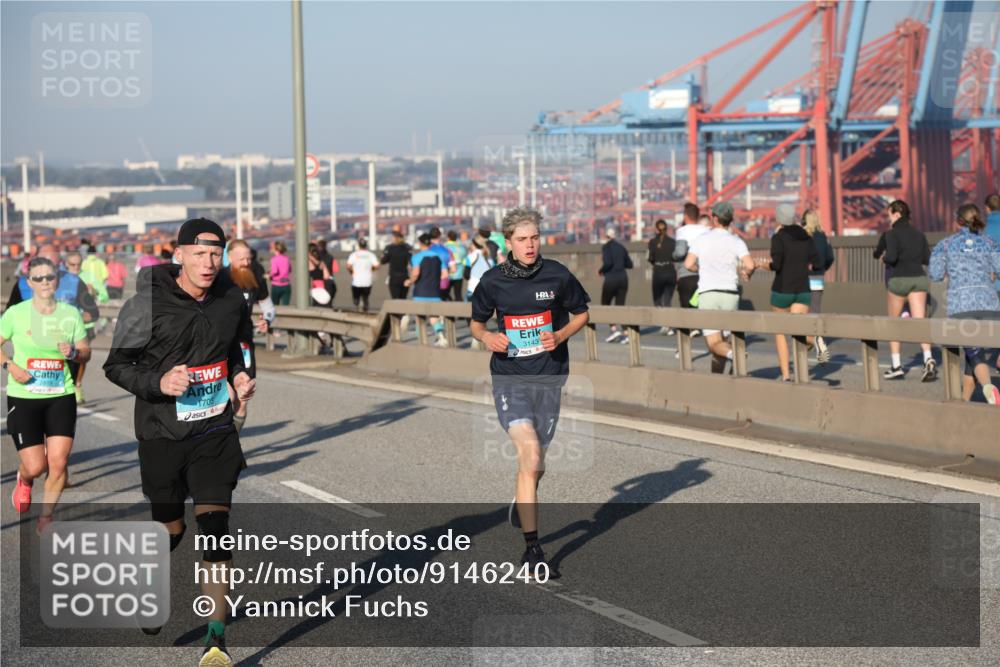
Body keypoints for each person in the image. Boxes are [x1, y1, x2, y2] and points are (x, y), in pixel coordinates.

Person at [104, 218, 256, 666]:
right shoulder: (145, 305)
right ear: (180, 255)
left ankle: (216, 640)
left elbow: (239, 348)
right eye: (199, 254)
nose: (208, 263)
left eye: (216, 254)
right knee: (170, 529)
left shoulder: (231, 299)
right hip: (162, 433)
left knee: (216, 529)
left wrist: (241, 376)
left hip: (214, 430)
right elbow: (116, 365)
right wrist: (159, 382)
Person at [470, 207, 590, 575]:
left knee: (536, 466)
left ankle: (523, 498)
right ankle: (532, 550)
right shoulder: (492, 281)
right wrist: (488, 337)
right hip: (510, 379)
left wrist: (561, 335)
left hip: (550, 378)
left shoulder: (557, 275)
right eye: (522, 239)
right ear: (508, 242)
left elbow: (582, 314)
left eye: (534, 238)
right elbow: (476, 325)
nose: (530, 245)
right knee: (531, 453)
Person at [1, 257, 90, 534]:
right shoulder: (16, 313)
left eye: (49, 277)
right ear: (29, 282)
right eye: (38, 278)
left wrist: (74, 353)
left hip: (60, 394)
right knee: (36, 466)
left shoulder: (70, 314)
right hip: (24, 395)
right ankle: (24, 478)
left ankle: (46, 517)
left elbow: (85, 351)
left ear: (57, 280)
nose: (44, 282)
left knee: (59, 462)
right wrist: (10, 366)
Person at [929, 203, 1000, 404]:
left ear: (958, 221)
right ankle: (964, 402)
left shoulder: (945, 245)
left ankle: (988, 388)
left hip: (961, 305)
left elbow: (935, 275)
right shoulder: (990, 243)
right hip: (989, 304)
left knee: (974, 352)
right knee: (974, 355)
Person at [756, 204, 826, 382]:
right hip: (803, 290)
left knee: (780, 333)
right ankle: (814, 340)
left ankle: (786, 375)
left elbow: (776, 265)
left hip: (782, 290)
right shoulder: (806, 237)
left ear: (779, 218)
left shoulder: (778, 237)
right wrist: (803, 267)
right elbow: (818, 263)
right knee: (799, 330)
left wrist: (761, 265)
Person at [684, 201, 756, 374]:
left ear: (714, 218)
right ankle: (719, 378)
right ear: (730, 220)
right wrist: (747, 273)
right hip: (730, 294)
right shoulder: (736, 241)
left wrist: (700, 269)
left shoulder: (701, 239)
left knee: (714, 343)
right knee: (724, 340)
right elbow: (750, 265)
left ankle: (734, 354)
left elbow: (688, 264)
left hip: (708, 294)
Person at [879, 200, 936, 382]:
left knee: (894, 323)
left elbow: (892, 257)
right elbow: (927, 259)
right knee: (920, 322)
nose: (889, 219)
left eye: (890, 215)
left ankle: (896, 366)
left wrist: (884, 258)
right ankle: (928, 358)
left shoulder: (891, 234)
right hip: (918, 278)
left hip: (899, 279)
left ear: (896, 215)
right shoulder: (919, 234)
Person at [226, 240, 273, 432]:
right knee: (228, 397)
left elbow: (268, 307)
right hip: (222, 344)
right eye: (241, 259)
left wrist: (267, 320)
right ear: (230, 257)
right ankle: (220, 439)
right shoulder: (219, 279)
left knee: (243, 397)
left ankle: (233, 439)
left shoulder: (255, 278)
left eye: (249, 259)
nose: (246, 263)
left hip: (244, 344)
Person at [803, 209, 834, 361]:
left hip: (803, 277)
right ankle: (817, 338)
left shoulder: (804, 236)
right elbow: (830, 257)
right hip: (818, 277)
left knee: (802, 309)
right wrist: (822, 269)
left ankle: (808, 340)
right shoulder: (823, 236)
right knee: (815, 310)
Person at [407, 233, 449, 347]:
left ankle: (421, 342)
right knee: (434, 317)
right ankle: (441, 337)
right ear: (430, 244)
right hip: (435, 292)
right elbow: (445, 274)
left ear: (420, 244)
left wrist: (409, 281)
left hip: (420, 292)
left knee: (419, 317)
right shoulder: (438, 257)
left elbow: (415, 273)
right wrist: (434, 279)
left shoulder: (417, 257)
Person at [674, 203, 709, 338]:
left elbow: (680, 252)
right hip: (704, 273)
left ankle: (690, 330)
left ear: (685, 216)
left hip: (687, 273)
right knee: (702, 302)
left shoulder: (682, 231)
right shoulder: (706, 230)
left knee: (686, 304)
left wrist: (673, 256)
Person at [599, 226, 633, 344]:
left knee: (605, 304)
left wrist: (601, 270)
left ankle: (614, 329)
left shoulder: (606, 247)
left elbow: (608, 263)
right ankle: (626, 333)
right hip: (623, 279)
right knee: (620, 306)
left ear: (607, 236)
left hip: (611, 279)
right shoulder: (621, 247)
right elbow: (630, 264)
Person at [647, 218, 680, 334]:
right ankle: (668, 324)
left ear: (656, 229)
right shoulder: (672, 242)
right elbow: (675, 257)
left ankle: (663, 322)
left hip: (658, 272)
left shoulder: (652, 242)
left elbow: (650, 258)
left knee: (657, 299)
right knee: (667, 299)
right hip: (670, 272)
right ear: (666, 228)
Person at [347, 238, 380, 313]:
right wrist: (372, 270)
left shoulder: (354, 255)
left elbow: (348, 266)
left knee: (356, 300)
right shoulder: (371, 255)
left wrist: (351, 272)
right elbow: (377, 266)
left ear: (359, 245)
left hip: (356, 281)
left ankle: (357, 309)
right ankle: (365, 311)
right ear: (366, 245)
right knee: (365, 298)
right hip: (367, 281)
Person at [381, 229, 412, 300]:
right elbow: (411, 261)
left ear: (395, 238)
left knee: (395, 298)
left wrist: (384, 255)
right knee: (403, 298)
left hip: (393, 277)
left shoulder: (389, 248)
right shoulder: (407, 248)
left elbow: (383, 261)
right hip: (404, 276)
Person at [464, 235, 495, 300]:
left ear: (474, 245)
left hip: (472, 289)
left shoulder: (470, 257)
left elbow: (466, 275)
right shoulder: (490, 258)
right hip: (486, 290)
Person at [428, 227, 455, 300]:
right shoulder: (447, 250)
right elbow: (453, 269)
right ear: (439, 236)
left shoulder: (427, 250)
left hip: (429, 283)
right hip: (444, 282)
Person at [445, 230, 469, 301]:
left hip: (447, 273)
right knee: (458, 294)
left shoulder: (444, 247)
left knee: (445, 294)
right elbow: (465, 261)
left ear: (448, 237)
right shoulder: (461, 248)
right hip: (459, 273)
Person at [269, 240, 292, 306]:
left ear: (275, 249)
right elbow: (290, 270)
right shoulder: (287, 258)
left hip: (276, 285)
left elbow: (274, 271)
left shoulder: (274, 259)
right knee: (286, 305)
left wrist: (269, 275)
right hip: (286, 284)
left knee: (275, 305)